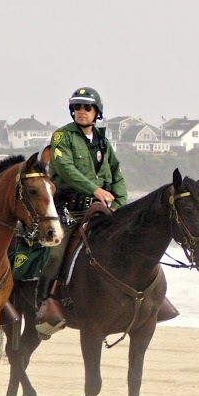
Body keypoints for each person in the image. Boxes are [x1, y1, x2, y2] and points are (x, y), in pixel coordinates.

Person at [34, 86, 127, 336]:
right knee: (55, 253)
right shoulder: (61, 137)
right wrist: (95, 189)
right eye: (76, 107)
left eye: (87, 107)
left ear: (97, 112)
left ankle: (140, 303)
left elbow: (117, 174)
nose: (81, 112)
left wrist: (120, 204)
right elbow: (64, 168)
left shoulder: (103, 141)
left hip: (100, 211)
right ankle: (44, 303)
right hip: (69, 211)